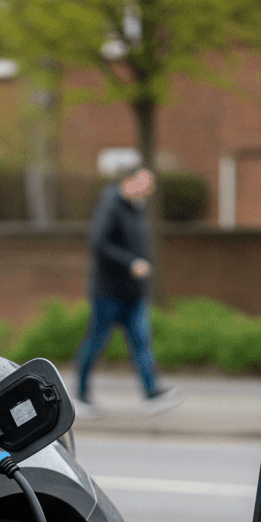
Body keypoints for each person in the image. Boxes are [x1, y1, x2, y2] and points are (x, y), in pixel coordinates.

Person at [76, 165, 180, 411]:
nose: (150, 189)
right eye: (147, 183)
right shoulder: (111, 204)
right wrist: (130, 263)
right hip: (109, 293)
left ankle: (152, 393)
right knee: (96, 342)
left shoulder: (137, 208)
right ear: (131, 181)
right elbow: (98, 241)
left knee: (142, 341)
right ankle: (80, 395)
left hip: (134, 293)